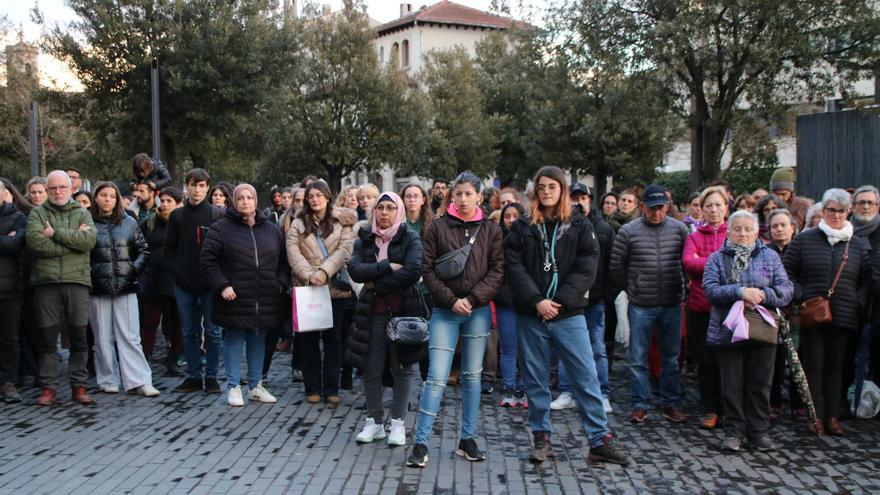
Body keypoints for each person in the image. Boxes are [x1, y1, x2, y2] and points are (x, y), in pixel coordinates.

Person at [504, 168, 632, 466]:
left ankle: (599, 440)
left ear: (562, 189)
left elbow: (588, 265)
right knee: (536, 378)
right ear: (535, 191)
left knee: (585, 375)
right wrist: (537, 301)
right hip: (531, 313)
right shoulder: (522, 226)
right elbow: (514, 266)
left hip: (568, 313)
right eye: (541, 187)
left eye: (552, 186)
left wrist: (559, 302)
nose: (546, 191)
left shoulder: (578, 224)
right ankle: (541, 437)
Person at [407, 172, 504, 468]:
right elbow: (428, 269)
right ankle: (421, 443)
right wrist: (452, 300)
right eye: (457, 193)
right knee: (436, 377)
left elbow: (497, 270)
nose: (462, 199)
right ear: (452, 196)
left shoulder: (491, 230)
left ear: (479, 197)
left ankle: (467, 439)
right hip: (445, 311)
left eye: (468, 194)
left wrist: (473, 300)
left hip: (478, 311)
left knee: (472, 377)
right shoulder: (437, 227)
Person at [702, 210, 794, 452]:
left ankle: (758, 432)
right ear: (729, 231)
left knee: (760, 384)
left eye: (747, 229)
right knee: (731, 384)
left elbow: (786, 290)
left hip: (762, 329)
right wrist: (739, 293)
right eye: (737, 229)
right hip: (728, 330)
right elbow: (710, 290)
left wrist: (764, 295)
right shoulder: (716, 259)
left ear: (756, 232)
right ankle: (734, 432)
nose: (742, 233)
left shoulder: (771, 257)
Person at [783, 189, 871, 436]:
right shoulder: (804, 239)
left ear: (848, 212)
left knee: (836, 367)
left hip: (844, 313)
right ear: (823, 211)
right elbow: (788, 273)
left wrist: (857, 300)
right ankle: (815, 415)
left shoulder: (856, 244)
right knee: (814, 365)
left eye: (841, 211)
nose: (836, 215)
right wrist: (802, 296)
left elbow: (865, 280)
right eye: (831, 210)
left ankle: (832, 415)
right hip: (812, 313)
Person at [346, 192, 425, 446]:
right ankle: (375, 422)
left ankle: (398, 423)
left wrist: (375, 283)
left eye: (391, 208)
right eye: (380, 207)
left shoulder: (409, 236)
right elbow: (355, 270)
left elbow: (413, 270)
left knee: (402, 368)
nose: (384, 212)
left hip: (404, 312)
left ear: (398, 211)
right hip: (373, 313)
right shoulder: (364, 237)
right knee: (372, 368)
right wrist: (387, 266)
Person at [200, 184, 289, 407]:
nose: (245, 202)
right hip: (234, 297)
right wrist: (222, 285)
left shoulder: (271, 229)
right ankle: (233, 386)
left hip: (264, 297)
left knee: (258, 340)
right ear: (234, 201)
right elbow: (208, 261)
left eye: (249, 197)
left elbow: (283, 262)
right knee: (234, 339)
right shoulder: (221, 228)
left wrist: (279, 284)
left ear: (256, 201)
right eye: (241, 198)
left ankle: (255, 385)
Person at [610, 184, 689, 424]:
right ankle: (640, 403)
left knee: (671, 358)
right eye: (653, 208)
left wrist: (682, 287)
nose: (657, 213)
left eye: (661, 208)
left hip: (671, 302)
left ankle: (670, 403)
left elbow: (685, 263)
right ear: (642, 207)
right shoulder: (629, 232)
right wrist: (632, 287)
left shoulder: (679, 230)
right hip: (641, 303)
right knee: (637, 357)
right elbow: (616, 266)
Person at [26, 170, 97, 405]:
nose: (57, 191)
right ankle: (48, 387)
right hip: (46, 283)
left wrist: (55, 234)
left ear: (70, 188)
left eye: (62, 187)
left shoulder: (82, 212)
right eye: (53, 188)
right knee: (47, 337)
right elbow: (36, 244)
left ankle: (79, 385)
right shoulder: (37, 213)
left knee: (78, 337)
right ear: (47, 190)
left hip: (77, 282)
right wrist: (72, 241)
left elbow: (88, 242)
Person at [287, 181, 357, 406]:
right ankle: (312, 387)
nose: (314, 199)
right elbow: (293, 252)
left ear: (328, 197)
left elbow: (345, 250)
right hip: (307, 287)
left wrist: (324, 272)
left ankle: (331, 387)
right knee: (307, 340)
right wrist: (310, 275)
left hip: (334, 288)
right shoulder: (297, 224)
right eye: (310, 196)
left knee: (333, 339)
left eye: (319, 195)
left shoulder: (343, 221)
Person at [87, 181, 159, 397]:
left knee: (130, 336)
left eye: (111, 195)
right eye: (103, 195)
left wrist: (132, 271)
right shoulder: (87, 222)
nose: (107, 199)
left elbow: (143, 251)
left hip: (126, 286)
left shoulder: (128, 222)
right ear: (96, 198)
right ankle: (108, 379)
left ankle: (139, 380)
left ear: (117, 199)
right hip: (98, 287)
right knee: (101, 337)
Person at [552, 183, 615, 414]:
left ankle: (602, 392)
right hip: (569, 298)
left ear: (589, 199)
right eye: (574, 197)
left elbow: (612, 266)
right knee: (565, 347)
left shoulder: (604, 229)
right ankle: (567, 390)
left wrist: (604, 295)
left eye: (583, 197)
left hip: (595, 300)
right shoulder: (563, 226)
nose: (579, 202)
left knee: (597, 348)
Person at [165, 168, 224, 394]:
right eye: (193, 184)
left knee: (212, 331)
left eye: (201, 185)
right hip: (184, 284)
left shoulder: (217, 215)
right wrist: (176, 272)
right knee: (188, 331)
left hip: (210, 285)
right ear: (186, 186)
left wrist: (219, 278)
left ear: (207, 187)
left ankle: (211, 376)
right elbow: (169, 249)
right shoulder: (177, 216)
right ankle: (193, 374)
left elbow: (222, 250)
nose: (197, 189)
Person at [682, 186, 729, 429]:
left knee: (729, 360)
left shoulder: (734, 232)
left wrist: (706, 261)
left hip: (730, 308)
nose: (713, 209)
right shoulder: (693, 237)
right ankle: (710, 407)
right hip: (701, 308)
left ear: (725, 208)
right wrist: (720, 263)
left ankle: (729, 407)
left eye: (717, 205)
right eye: (708, 205)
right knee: (706, 360)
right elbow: (689, 262)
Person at [139, 187, 185, 376]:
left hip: (176, 279)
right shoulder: (150, 222)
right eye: (162, 200)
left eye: (169, 201)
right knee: (150, 321)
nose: (164, 204)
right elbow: (139, 244)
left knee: (176, 322)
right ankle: (144, 359)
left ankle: (174, 359)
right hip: (154, 279)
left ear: (178, 203)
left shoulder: (183, 222)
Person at [493, 202, 527, 408]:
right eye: (507, 216)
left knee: (524, 348)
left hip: (525, 301)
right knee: (507, 348)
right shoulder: (497, 241)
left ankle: (523, 387)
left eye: (515, 215)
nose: (511, 219)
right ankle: (509, 387)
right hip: (505, 300)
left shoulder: (530, 238)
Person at [765, 209, 799, 417]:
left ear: (792, 228)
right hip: (772, 311)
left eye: (783, 225)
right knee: (773, 361)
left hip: (796, 312)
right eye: (774, 226)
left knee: (797, 358)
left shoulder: (800, 249)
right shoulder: (765, 251)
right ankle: (773, 402)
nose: (779, 229)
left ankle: (798, 404)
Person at [0, 180, 27, 402]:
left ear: (4, 194)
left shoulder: (18, 217)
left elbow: (15, 244)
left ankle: (9, 382)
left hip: (10, 289)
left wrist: (8, 242)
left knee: (9, 338)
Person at [851, 185, 880, 383]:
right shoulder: (843, 231)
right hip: (850, 301)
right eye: (861, 202)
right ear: (853, 207)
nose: (866, 207)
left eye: (871, 203)